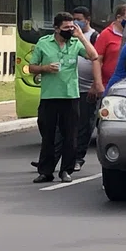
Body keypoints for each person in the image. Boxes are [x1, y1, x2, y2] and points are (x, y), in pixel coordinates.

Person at [29, 12, 99, 183]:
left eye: (71, 27)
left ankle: (66, 170)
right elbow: (31, 67)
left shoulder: (75, 43)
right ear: (56, 28)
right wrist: (45, 68)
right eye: (66, 28)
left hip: (70, 96)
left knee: (70, 136)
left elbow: (94, 56)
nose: (69, 30)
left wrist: (81, 37)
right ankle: (46, 171)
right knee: (48, 136)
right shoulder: (44, 43)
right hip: (50, 96)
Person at [66, 6, 103, 171]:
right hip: (70, 87)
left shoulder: (94, 36)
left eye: (79, 19)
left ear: (87, 20)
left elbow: (98, 60)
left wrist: (96, 84)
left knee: (84, 126)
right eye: (73, 19)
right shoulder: (70, 35)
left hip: (88, 88)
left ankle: (78, 158)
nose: (75, 22)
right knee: (65, 125)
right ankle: (54, 158)